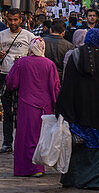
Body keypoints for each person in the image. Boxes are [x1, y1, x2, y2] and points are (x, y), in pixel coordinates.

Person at [55, 28, 99, 190]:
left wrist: (62, 108)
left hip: (80, 110)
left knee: (81, 145)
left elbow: (68, 84)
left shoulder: (76, 56)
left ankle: (76, 179)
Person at [6, 37, 61, 177]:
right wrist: (57, 106)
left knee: (26, 136)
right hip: (45, 106)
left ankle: (28, 168)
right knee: (41, 136)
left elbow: (12, 83)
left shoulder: (21, 63)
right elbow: (55, 87)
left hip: (27, 105)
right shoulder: (49, 64)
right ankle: (38, 167)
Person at [0, 8, 35, 155]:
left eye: (15, 19)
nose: (13, 22)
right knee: (7, 112)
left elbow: (35, 55)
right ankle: (7, 143)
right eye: (10, 19)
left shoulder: (29, 36)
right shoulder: (1, 35)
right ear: (6, 19)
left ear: (21, 20)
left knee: (22, 111)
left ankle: (21, 142)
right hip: (6, 75)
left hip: (23, 77)